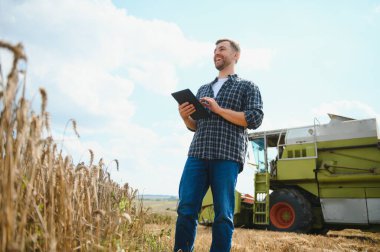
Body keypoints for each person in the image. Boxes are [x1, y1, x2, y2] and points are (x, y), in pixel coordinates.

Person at [174, 38, 264, 252]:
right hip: (197, 153)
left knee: (223, 214)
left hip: (227, 156)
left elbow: (254, 118)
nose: (216, 53)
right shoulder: (203, 88)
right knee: (186, 209)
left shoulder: (247, 86)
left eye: (222, 49)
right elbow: (196, 126)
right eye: (215, 50)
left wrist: (219, 109)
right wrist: (185, 117)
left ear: (236, 55)